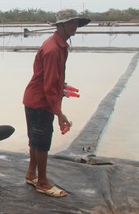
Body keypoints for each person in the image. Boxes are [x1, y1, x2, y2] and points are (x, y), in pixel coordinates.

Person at [23, 13, 90, 197]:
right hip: (40, 102)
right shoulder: (53, 49)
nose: (75, 26)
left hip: (35, 98)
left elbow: (51, 79)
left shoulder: (58, 46)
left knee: (36, 139)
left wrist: (63, 87)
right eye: (71, 23)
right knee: (42, 142)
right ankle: (42, 182)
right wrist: (59, 114)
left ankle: (31, 174)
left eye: (76, 23)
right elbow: (49, 86)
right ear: (60, 26)